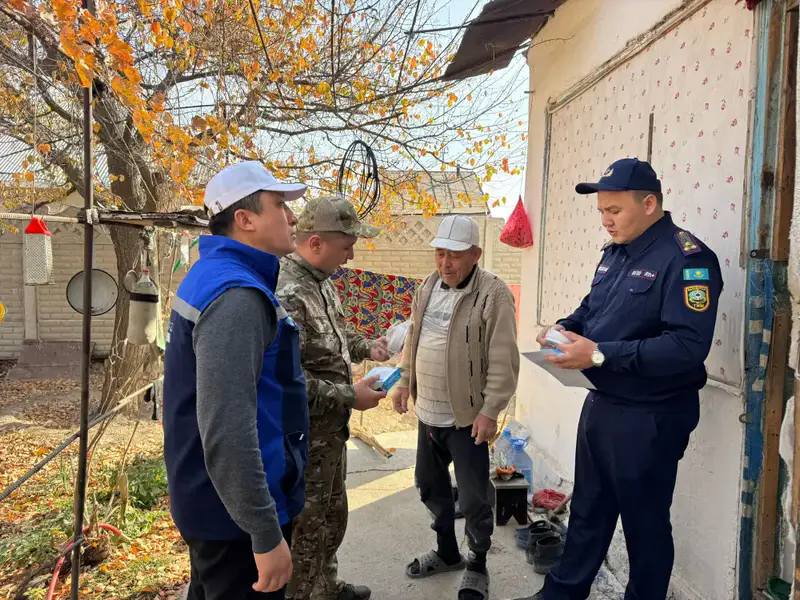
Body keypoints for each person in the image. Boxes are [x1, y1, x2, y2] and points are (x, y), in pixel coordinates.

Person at [514, 158, 723, 600]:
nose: (606, 221)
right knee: (588, 510)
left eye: (615, 210)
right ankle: (561, 594)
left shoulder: (688, 259)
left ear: (649, 204)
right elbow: (593, 310)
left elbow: (686, 347)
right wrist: (562, 328)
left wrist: (600, 353)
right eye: (601, 212)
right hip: (601, 403)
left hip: (651, 414)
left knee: (644, 526)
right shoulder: (616, 254)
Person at [163, 161, 309, 600]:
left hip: (214, 506)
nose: (292, 217)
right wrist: (264, 534)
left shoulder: (215, 276)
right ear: (244, 220)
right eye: (280, 205)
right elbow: (227, 430)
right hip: (235, 522)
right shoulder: (237, 296)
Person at [392, 214, 520, 600]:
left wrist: (490, 410)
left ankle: (477, 563)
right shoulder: (428, 286)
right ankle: (447, 552)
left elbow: (502, 358)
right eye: (440, 253)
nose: (445, 263)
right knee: (430, 486)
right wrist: (402, 380)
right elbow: (413, 338)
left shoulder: (493, 293)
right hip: (427, 411)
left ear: (476, 254)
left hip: (466, 417)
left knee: (475, 496)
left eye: (455, 255)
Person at [275, 195, 390, 600]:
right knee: (306, 527)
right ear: (318, 242)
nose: (352, 255)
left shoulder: (320, 283)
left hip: (330, 433)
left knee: (331, 516)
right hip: (306, 438)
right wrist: (348, 396)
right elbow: (285, 381)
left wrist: (367, 347)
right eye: (347, 246)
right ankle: (305, 593)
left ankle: (326, 586)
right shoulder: (288, 293)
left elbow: (334, 339)